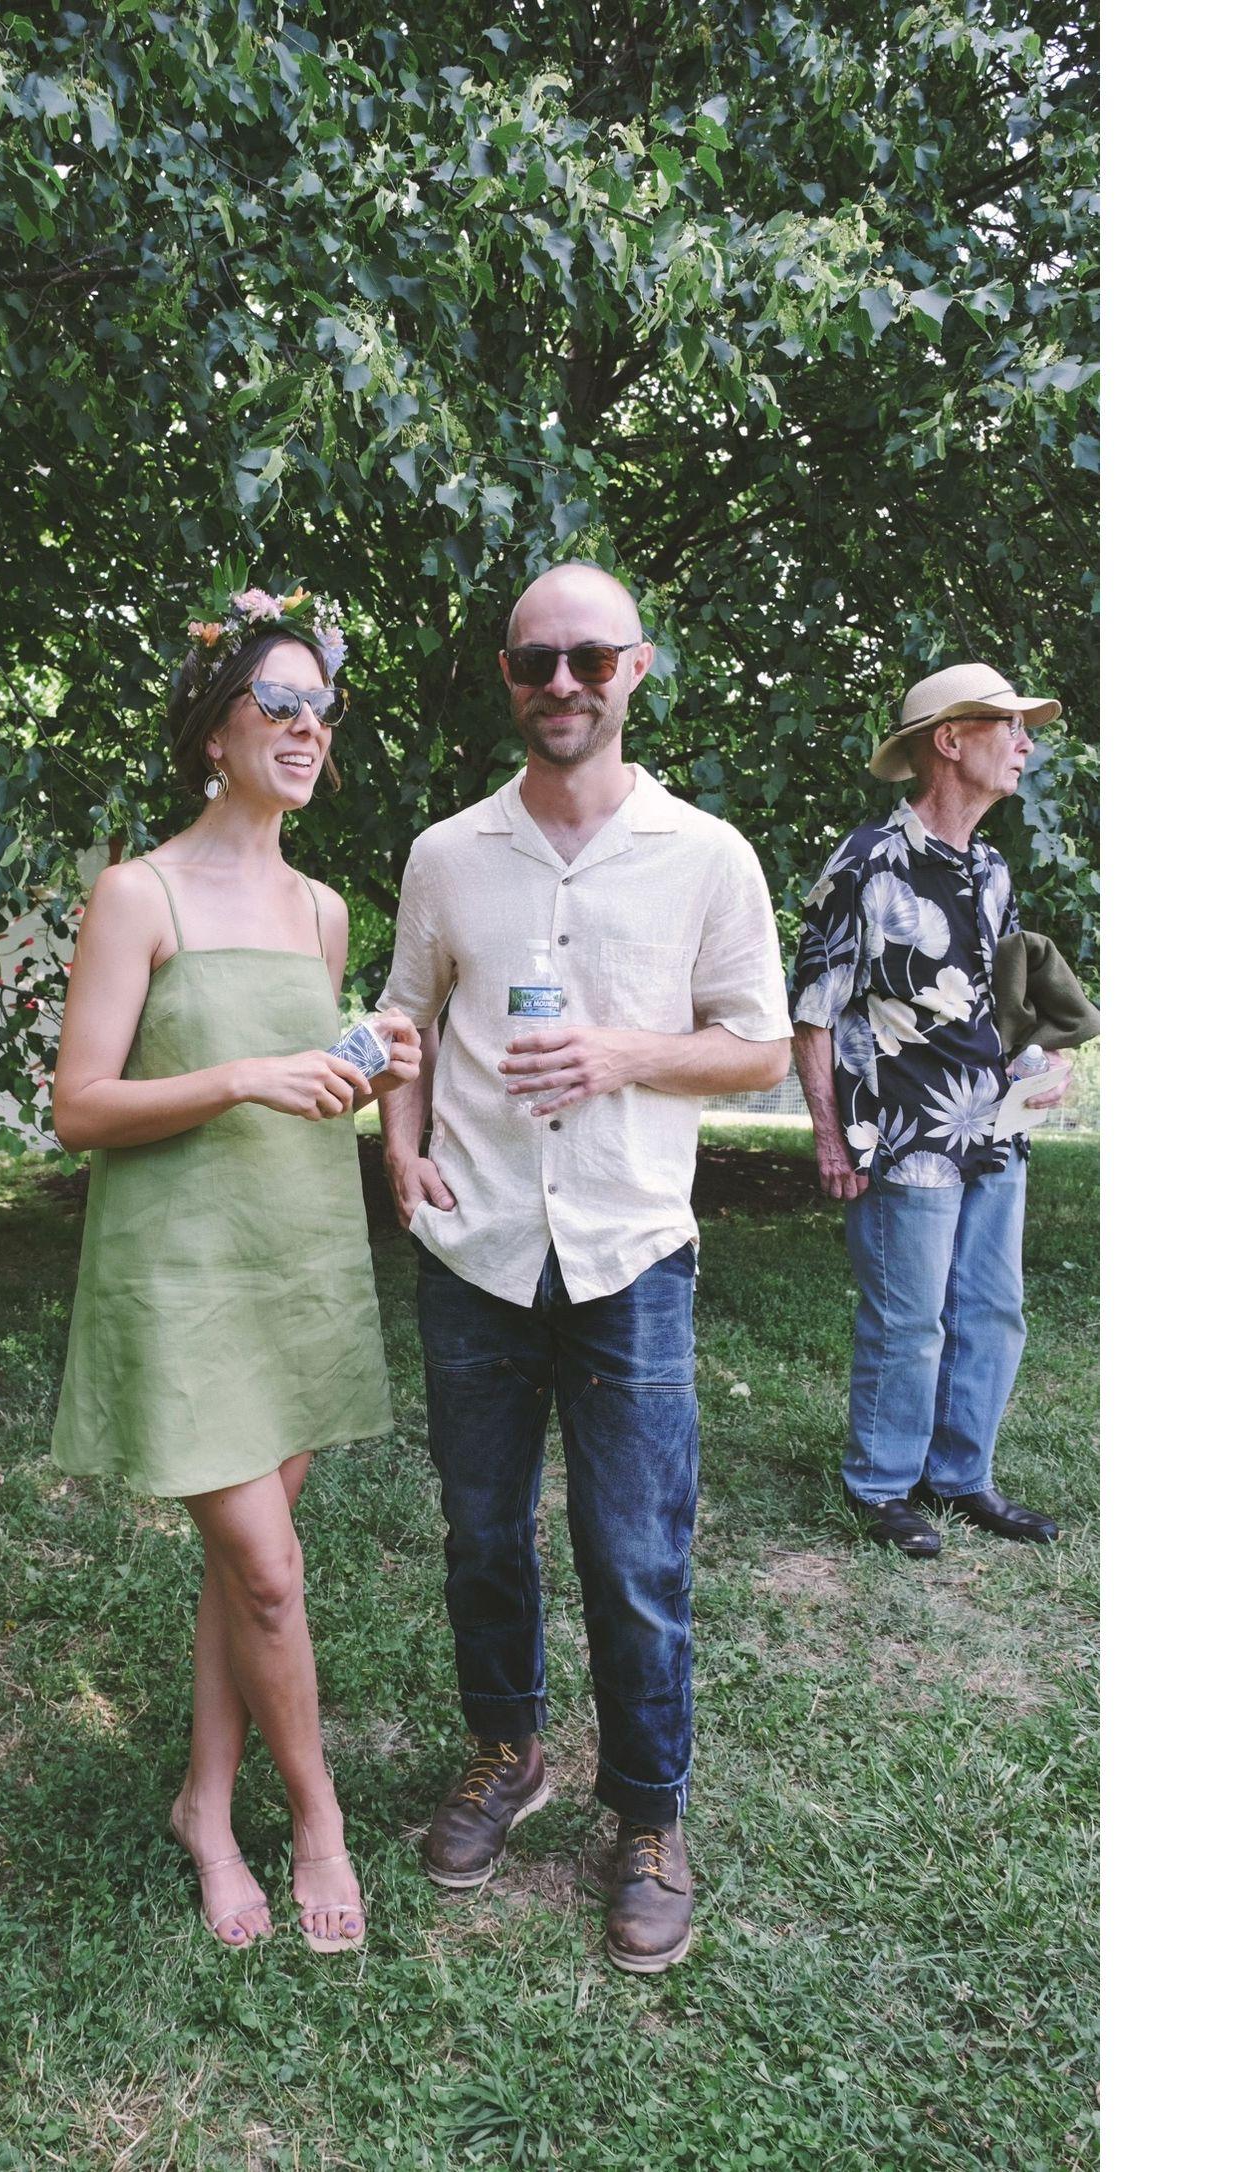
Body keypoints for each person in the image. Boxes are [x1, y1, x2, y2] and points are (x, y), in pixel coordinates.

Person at [375, 562, 792, 1975]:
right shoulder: (448, 855)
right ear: (508, 677)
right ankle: (508, 1752)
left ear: (637, 668)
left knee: (634, 1554)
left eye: (589, 659)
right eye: (533, 661)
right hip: (479, 1247)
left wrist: (623, 1052)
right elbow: (404, 1022)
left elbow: (759, 1047)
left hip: (630, 1252)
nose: (561, 683)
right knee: (482, 1533)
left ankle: (650, 1819)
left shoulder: (708, 856)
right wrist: (399, 1152)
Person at [48, 584, 422, 1954]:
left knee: (238, 1567)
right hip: (184, 1276)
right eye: (280, 702)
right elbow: (80, 1106)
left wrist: (367, 1071)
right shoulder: (137, 894)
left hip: (295, 1261)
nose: (309, 727)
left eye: (324, 707)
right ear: (217, 730)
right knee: (267, 1571)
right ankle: (316, 1823)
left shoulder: (323, 912)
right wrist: (244, 1075)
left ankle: (205, 1805)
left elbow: (305, 1084)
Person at [789, 662, 1074, 1560]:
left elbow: (996, 1007)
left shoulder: (991, 868)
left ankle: (960, 1476)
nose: (1025, 744)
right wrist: (829, 1136)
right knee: (909, 1322)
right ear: (949, 741)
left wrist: (1043, 1061)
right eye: (1008, 726)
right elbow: (813, 1012)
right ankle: (880, 1485)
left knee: (992, 1310)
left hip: (992, 1127)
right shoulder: (865, 861)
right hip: (903, 1133)